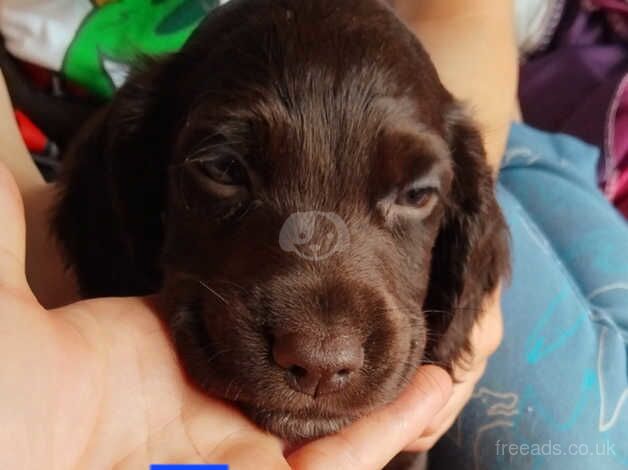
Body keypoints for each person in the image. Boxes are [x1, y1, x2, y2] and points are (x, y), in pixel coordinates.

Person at [0, 1, 536, 468]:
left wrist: (464, 320)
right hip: (40, 138)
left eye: (413, 196)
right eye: (226, 170)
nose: (325, 350)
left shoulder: (458, 187)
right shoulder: (133, 147)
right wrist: (25, 227)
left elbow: (460, 11)